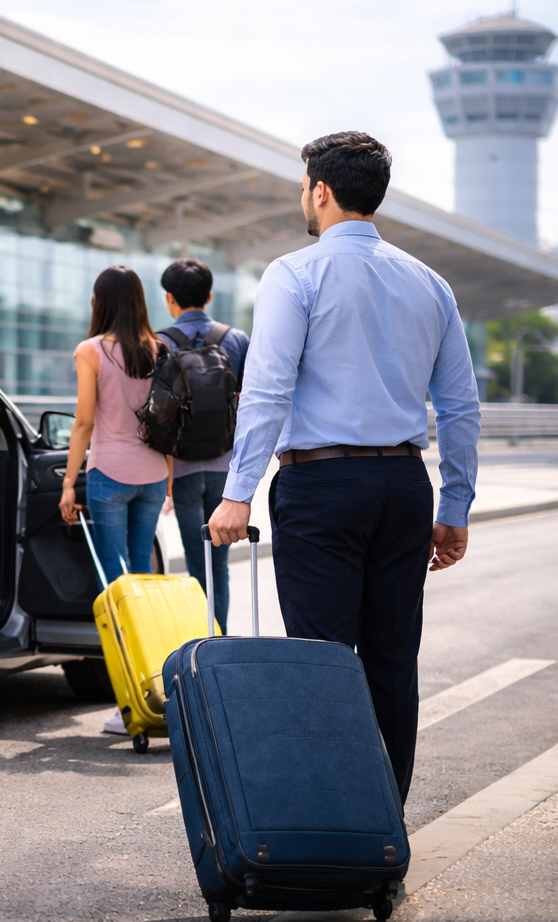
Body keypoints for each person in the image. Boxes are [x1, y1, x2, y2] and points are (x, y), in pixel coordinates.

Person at [207, 131, 480, 804]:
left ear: (321, 191)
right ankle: (383, 827)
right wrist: (454, 508)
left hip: (320, 486)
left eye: (303, 186)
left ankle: (333, 821)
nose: (302, 196)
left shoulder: (294, 274)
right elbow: (459, 406)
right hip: (404, 487)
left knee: (322, 662)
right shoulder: (430, 283)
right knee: (392, 663)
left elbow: (267, 389)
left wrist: (238, 492)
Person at [58, 267, 173, 736]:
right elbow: (167, 416)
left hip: (109, 475)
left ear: (99, 302)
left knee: (115, 588)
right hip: (152, 475)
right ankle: (154, 691)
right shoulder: (158, 349)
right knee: (141, 581)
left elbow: (84, 423)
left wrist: (69, 483)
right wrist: (168, 476)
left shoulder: (91, 351)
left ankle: (127, 700)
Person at [157, 259, 249, 634]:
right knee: (218, 564)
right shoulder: (236, 340)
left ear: (169, 298)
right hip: (225, 470)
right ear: (208, 297)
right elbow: (251, 401)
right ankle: (219, 637)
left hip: (181, 469)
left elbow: (155, 414)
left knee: (197, 563)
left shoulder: (159, 343)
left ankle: (201, 641)